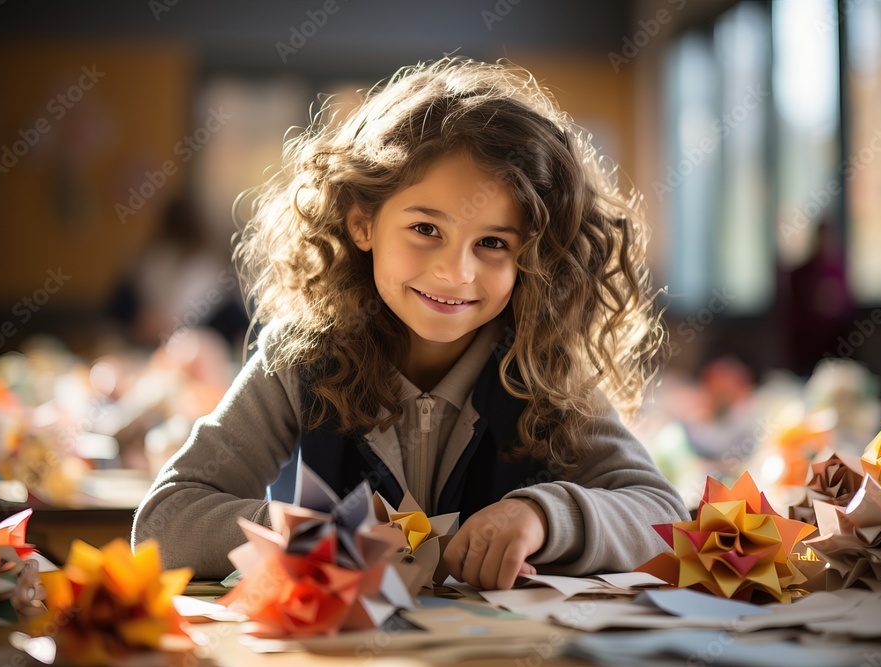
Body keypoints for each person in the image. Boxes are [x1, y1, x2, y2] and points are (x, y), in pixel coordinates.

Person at [132, 57, 688, 590]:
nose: (455, 271)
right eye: (426, 229)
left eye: (493, 243)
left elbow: (662, 515)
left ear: (535, 257)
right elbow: (163, 524)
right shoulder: (298, 359)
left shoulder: (546, 367)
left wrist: (544, 516)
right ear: (362, 224)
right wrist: (311, 533)